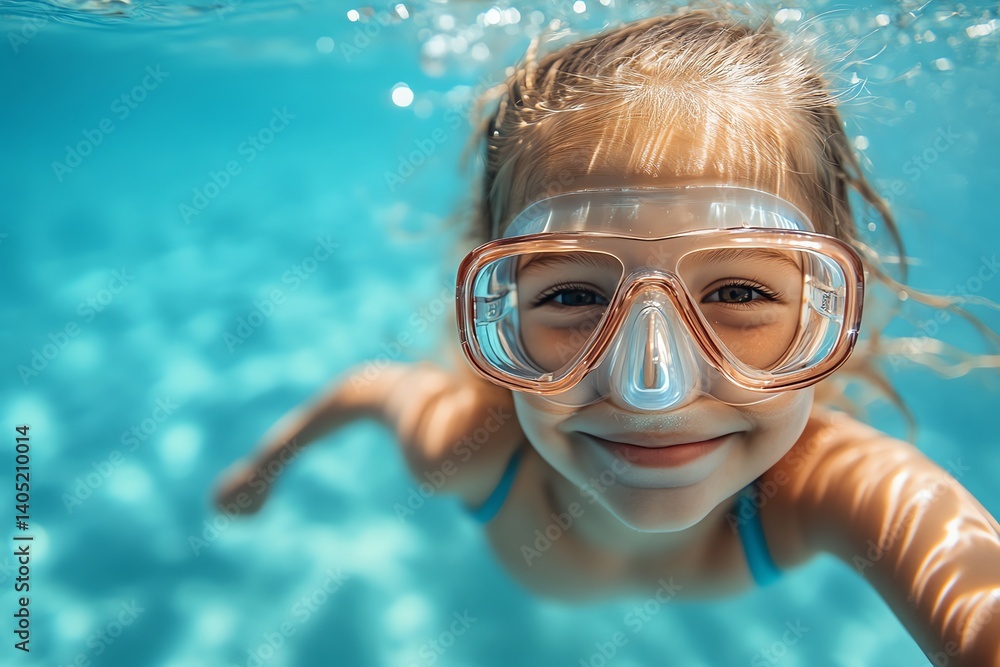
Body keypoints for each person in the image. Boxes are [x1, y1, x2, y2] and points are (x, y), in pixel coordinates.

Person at [214, 8, 1000, 664]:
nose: (650, 389)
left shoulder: (828, 487)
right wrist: (264, 465)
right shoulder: (470, 449)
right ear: (499, 313)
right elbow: (366, 389)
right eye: (572, 295)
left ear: (826, 309)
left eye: (737, 292)